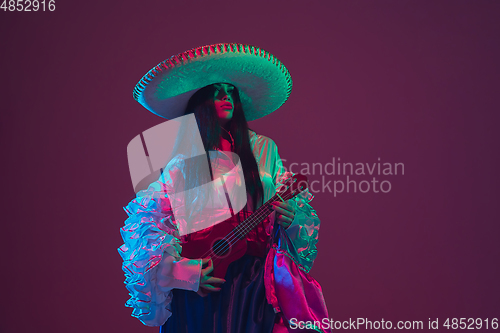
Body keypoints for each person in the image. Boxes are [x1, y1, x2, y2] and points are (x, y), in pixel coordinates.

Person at [119, 43, 330, 333]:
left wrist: (291, 216)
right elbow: (147, 228)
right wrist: (185, 274)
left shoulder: (263, 149)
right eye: (216, 91)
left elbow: (295, 216)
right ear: (200, 101)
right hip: (201, 289)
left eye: (231, 91)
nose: (226, 96)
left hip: (254, 286)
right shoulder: (183, 162)